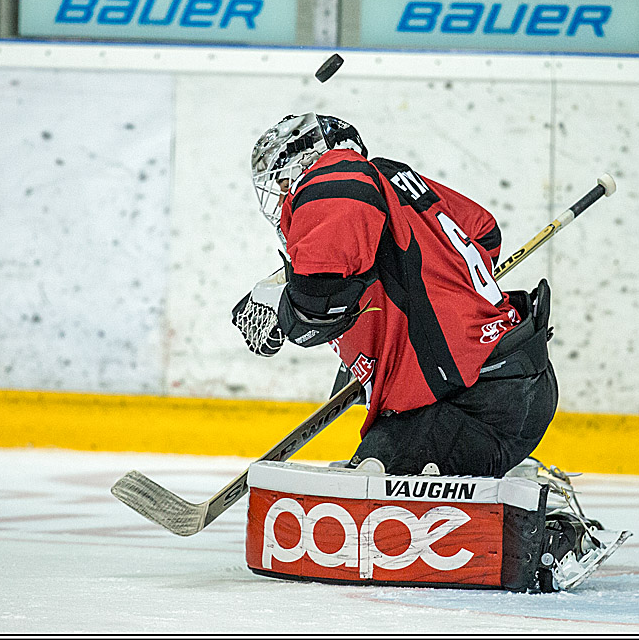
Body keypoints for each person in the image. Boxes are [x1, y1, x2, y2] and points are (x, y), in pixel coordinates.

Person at [231, 113, 558, 479]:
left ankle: (538, 520)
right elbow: (484, 233)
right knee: (369, 471)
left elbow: (321, 299)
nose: (281, 192)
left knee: (369, 503)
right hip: (503, 382)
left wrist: (288, 310)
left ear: (309, 158)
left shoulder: (338, 172)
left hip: (467, 399)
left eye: (282, 177)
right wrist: (379, 345)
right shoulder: (394, 183)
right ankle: (518, 483)